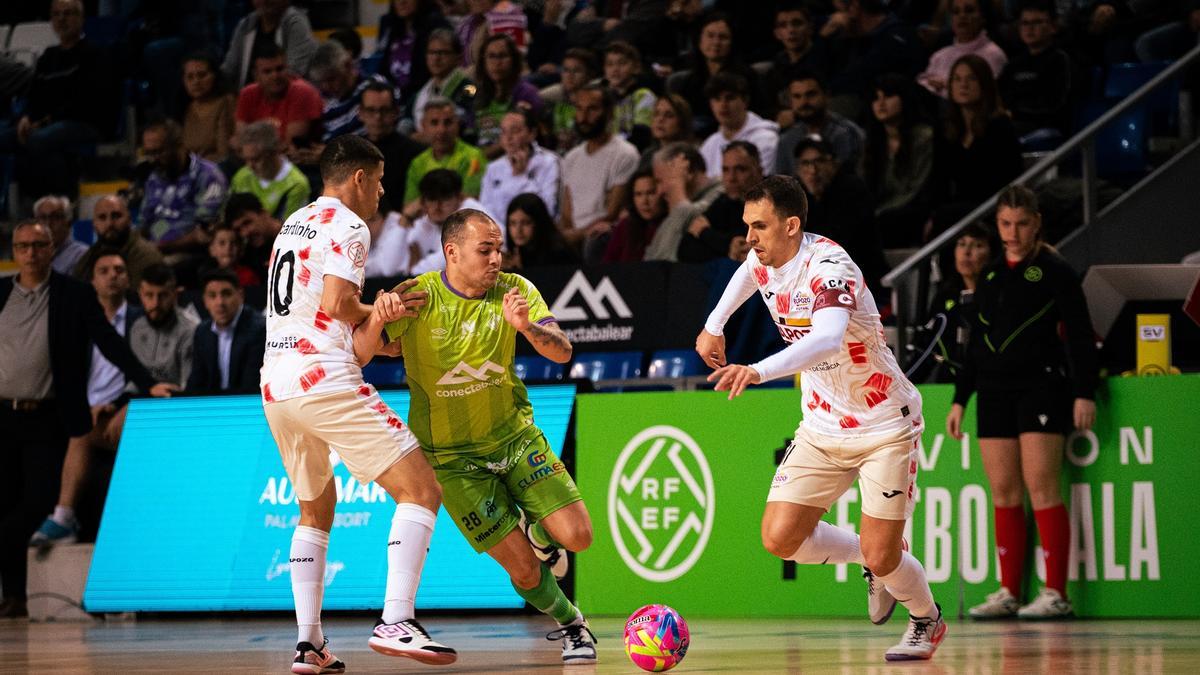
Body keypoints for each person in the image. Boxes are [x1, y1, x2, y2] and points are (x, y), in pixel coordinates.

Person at [696, 175, 947, 661]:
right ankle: (871, 559)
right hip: (822, 423)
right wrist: (713, 325)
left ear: (792, 225)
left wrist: (757, 369)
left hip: (883, 425)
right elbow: (749, 271)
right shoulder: (767, 256)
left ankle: (926, 619)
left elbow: (828, 338)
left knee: (885, 553)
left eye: (759, 227)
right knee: (780, 537)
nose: (750, 238)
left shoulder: (831, 269)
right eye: (746, 226)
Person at [258, 134, 457, 670]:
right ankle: (397, 619)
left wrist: (377, 321)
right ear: (359, 178)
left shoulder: (291, 224)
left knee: (315, 510)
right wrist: (378, 307)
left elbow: (325, 316)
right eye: (382, 179)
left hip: (276, 384)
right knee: (420, 488)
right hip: (323, 380)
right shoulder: (350, 225)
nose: (384, 191)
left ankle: (309, 642)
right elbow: (338, 303)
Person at [371, 208, 598, 665]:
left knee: (578, 537)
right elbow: (370, 348)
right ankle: (573, 625)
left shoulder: (515, 290)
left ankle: (539, 528)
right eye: (485, 249)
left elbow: (562, 352)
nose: (497, 258)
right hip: (451, 461)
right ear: (451, 252)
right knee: (525, 571)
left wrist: (526, 328)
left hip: (514, 439)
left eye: (499, 249)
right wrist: (378, 318)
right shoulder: (418, 296)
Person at [1, 222, 172, 618]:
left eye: (39, 245)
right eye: (23, 246)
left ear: (50, 248)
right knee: (4, 500)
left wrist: (147, 384)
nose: (31, 253)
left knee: (35, 501)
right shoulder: (2, 292)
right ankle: (12, 595)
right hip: (2, 414)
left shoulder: (72, 294)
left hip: (46, 415)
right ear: (13, 250)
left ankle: (20, 589)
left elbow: (110, 342)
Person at [946, 186, 1098, 620]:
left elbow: (1081, 335)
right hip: (993, 393)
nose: (1013, 233)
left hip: (1042, 389)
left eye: (1022, 224)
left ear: (1037, 224)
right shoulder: (991, 275)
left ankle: (1055, 593)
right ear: (998, 225)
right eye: (1005, 224)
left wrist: (1084, 390)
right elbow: (977, 344)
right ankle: (1009, 590)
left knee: (1042, 488)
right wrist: (961, 400)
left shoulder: (1056, 271)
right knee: (1004, 493)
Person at [29, 250, 142, 548]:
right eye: (104, 271)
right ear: (92, 281)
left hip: (123, 410)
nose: (113, 276)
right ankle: (61, 519)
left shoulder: (141, 320)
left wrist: (118, 403)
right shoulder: (76, 324)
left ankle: (64, 517)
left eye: (119, 269)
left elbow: (148, 372)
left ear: (128, 278)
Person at [0, 0, 117, 197]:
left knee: (39, 140)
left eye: (68, 14)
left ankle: (60, 196)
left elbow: (88, 102)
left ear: (81, 19)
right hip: (46, 124)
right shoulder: (48, 57)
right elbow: (35, 95)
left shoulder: (95, 55)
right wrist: (27, 117)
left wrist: (44, 121)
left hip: (84, 123)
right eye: (56, 14)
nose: (61, 19)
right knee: (4, 137)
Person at [931, 54, 1022, 240]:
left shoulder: (1000, 126)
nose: (963, 85)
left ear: (985, 84)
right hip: (956, 207)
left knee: (945, 216)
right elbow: (938, 179)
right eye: (957, 79)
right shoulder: (946, 130)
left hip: (990, 206)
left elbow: (1008, 179)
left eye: (971, 78)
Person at [793, 136, 890, 299]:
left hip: (861, 283)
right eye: (806, 163)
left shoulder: (853, 190)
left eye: (820, 161)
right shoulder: (798, 197)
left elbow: (842, 245)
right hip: (816, 283)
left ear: (834, 164)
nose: (813, 170)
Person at [560, 83, 640, 262]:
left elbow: (612, 212)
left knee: (596, 239)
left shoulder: (625, 153)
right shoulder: (572, 157)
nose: (583, 117)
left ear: (609, 113)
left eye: (592, 109)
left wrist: (573, 236)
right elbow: (567, 213)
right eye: (579, 109)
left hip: (602, 235)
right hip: (575, 237)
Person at [910, 223, 992, 383]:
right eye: (961, 244)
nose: (966, 252)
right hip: (948, 387)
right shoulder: (945, 298)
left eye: (978, 245)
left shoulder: (998, 296)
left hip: (988, 387)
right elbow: (927, 349)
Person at [864, 74, 935, 248]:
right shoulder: (873, 142)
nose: (881, 104)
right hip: (881, 213)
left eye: (887, 96)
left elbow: (918, 187)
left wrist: (879, 213)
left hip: (912, 211)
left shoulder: (923, 137)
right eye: (876, 98)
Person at [139, 119, 229, 255]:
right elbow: (145, 221)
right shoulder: (156, 176)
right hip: (153, 252)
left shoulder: (207, 175)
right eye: (149, 153)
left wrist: (161, 248)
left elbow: (205, 233)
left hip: (189, 254)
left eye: (159, 152)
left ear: (179, 146)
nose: (153, 159)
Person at [677, 141, 763, 264]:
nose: (731, 178)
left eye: (740, 170)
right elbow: (685, 250)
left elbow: (745, 246)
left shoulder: (772, 201)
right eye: (726, 170)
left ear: (759, 172)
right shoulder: (724, 201)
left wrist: (705, 233)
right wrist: (727, 247)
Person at [1000, 0, 1073, 142]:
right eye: (1025, 23)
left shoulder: (1061, 60)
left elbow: (1057, 107)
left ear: (1053, 27)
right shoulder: (1013, 65)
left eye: (1037, 22)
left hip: (1046, 129)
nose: (1030, 28)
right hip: (1012, 125)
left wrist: (1015, 113)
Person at [187, 268, 266, 394]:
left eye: (226, 294)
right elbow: (197, 382)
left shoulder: (258, 330)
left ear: (240, 295)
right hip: (213, 406)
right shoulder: (202, 331)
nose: (220, 302)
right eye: (212, 296)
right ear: (205, 301)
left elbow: (251, 386)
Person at [642, 142, 724, 262]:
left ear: (688, 172)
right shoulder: (680, 204)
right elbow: (654, 256)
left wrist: (677, 188)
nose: (659, 191)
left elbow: (694, 216)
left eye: (660, 181)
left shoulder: (722, 193)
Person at [775, 70, 865, 178]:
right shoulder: (786, 140)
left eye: (811, 94)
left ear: (826, 95)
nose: (804, 102)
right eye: (797, 96)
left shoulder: (849, 134)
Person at [403, 97, 489, 208]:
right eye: (434, 123)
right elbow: (408, 207)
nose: (441, 130)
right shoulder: (417, 163)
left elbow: (472, 202)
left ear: (457, 125)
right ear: (423, 126)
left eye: (448, 122)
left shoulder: (473, 157)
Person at [234, 43, 323, 148]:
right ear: (255, 75)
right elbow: (241, 139)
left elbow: (291, 145)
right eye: (267, 72)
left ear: (287, 67)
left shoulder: (302, 92)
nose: (275, 76)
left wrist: (250, 146)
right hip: (257, 157)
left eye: (280, 69)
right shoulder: (247, 94)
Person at [360, 81, 428, 216]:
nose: (378, 117)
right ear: (360, 113)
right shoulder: (352, 152)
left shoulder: (416, 153)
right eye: (371, 110)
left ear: (396, 112)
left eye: (384, 110)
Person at [480, 109, 561, 222]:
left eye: (515, 131)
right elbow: (485, 212)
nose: (508, 138)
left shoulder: (550, 162)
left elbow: (547, 209)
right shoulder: (493, 168)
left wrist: (520, 175)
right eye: (503, 132)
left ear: (532, 133)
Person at [129, 263, 200, 388]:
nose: (155, 303)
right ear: (140, 295)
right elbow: (134, 380)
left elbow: (188, 388)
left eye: (163, 296)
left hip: (174, 401)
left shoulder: (190, 330)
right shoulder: (137, 328)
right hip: (142, 399)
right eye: (149, 295)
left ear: (175, 295)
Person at [306, 40, 391, 145]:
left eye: (331, 79)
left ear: (348, 65)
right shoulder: (328, 102)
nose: (326, 87)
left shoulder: (375, 88)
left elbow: (373, 136)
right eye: (321, 82)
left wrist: (329, 153)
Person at [917, 0, 1007, 98]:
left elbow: (986, 95)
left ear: (982, 18)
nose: (962, 16)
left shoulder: (994, 55)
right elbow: (922, 85)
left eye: (969, 11)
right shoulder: (939, 55)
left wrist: (946, 86)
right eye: (956, 12)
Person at [472, 34, 544, 155]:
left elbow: (531, 139)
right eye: (491, 56)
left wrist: (484, 155)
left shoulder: (527, 94)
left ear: (514, 60)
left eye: (502, 56)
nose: (497, 62)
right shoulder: (476, 94)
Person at [698, 73, 779, 179]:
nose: (723, 105)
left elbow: (760, 182)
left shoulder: (766, 139)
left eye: (730, 98)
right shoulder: (709, 145)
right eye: (717, 99)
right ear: (711, 104)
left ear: (745, 101)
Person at [222, 0, 319, 88]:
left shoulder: (295, 22)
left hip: (286, 97)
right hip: (248, 99)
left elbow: (295, 73)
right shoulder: (246, 25)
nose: (265, 1)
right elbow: (229, 70)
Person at [764, 3, 834, 124]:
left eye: (797, 23)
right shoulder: (777, 67)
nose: (791, 30)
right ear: (777, 33)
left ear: (810, 28)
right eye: (783, 25)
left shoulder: (826, 58)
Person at [75, 195, 164, 288]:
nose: (109, 223)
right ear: (94, 224)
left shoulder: (147, 256)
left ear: (129, 219)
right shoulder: (88, 257)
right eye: (102, 217)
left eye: (116, 216)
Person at [230, 120, 312, 221]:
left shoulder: (296, 184)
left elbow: (290, 231)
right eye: (246, 159)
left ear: (273, 153)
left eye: (256, 159)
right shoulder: (241, 176)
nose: (250, 166)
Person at [375, 0, 451, 101]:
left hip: (426, 100)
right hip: (392, 101)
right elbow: (383, 71)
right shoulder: (389, 25)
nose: (402, 2)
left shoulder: (436, 26)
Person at [407, 29, 476, 138]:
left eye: (443, 53)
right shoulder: (420, 94)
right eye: (431, 52)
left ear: (458, 58)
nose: (436, 58)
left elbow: (468, 124)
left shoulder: (469, 88)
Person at [181, 51, 236, 163]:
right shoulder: (184, 108)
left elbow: (224, 155)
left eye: (202, 75)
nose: (196, 81)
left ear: (215, 75)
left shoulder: (226, 102)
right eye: (190, 77)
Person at [603, 169, 666, 263]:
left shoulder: (673, 225)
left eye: (651, 193)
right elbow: (608, 265)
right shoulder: (625, 226)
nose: (644, 201)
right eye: (638, 194)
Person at [603, 41, 657, 150]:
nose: (615, 69)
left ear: (636, 68)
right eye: (610, 64)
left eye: (622, 63)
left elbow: (641, 137)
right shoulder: (602, 97)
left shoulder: (644, 96)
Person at [503, 193, 578, 270]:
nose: (518, 230)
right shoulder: (514, 256)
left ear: (539, 223)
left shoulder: (560, 255)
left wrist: (522, 271)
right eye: (512, 223)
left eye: (526, 223)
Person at [546, 48, 596, 153]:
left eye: (577, 71)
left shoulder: (596, 106)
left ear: (589, 75)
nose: (569, 76)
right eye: (566, 70)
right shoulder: (555, 100)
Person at [34, 195, 88, 276]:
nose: (48, 223)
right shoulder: (33, 254)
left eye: (55, 217)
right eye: (43, 217)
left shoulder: (81, 254)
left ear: (68, 222)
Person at [638, 94, 694, 170]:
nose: (660, 119)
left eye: (669, 115)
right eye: (656, 114)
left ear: (682, 123)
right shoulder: (648, 155)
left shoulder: (689, 157)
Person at [206, 223, 262, 287]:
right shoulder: (206, 276)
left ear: (240, 250)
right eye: (222, 243)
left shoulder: (248, 276)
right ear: (212, 250)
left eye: (233, 243)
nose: (228, 248)